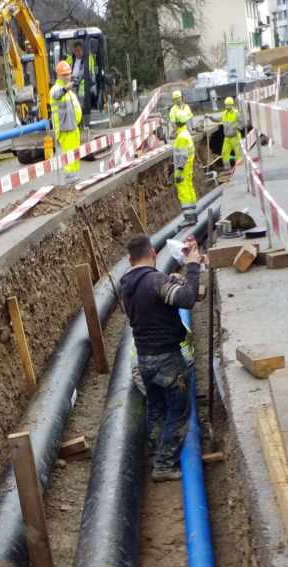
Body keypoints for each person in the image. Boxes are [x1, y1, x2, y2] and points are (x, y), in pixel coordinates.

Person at [119, 234, 204, 481]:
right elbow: (187, 300)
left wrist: (174, 280)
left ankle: (156, 452)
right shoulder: (155, 280)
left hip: (144, 359)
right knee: (179, 411)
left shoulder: (126, 284)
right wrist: (193, 265)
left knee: (156, 409)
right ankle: (165, 465)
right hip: (167, 359)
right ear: (154, 254)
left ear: (129, 259)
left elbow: (156, 303)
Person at [50, 61, 83, 185]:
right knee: (69, 155)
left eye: (68, 74)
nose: (67, 76)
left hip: (73, 128)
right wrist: (66, 88)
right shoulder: (57, 89)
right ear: (59, 76)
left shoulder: (68, 91)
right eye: (64, 75)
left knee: (75, 154)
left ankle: (75, 178)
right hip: (65, 130)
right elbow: (56, 94)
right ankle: (70, 179)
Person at [172, 119, 197, 228]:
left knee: (183, 192)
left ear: (175, 124)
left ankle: (189, 218)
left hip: (182, 169)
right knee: (189, 189)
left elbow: (182, 155)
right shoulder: (186, 133)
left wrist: (179, 170)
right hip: (188, 167)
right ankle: (193, 214)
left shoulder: (181, 137)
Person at [65, 41, 95, 108]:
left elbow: (84, 72)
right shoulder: (70, 58)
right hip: (72, 86)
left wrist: (74, 81)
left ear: (83, 50)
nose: (77, 53)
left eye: (79, 50)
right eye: (75, 51)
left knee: (79, 106)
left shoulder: (88, 58)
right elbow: (65, 69)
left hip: (84, 87)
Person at [219, 96, 241, 171]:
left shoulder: (236, 113)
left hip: (235, 137)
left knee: (238, 154)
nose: (228, 107)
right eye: (227, 105)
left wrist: (237, 128)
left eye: (229, 105)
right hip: (227, 137)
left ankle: (239, 168)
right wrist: (210, 117)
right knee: (224, 153)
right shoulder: (224, 114)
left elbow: (242, 122)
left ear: (232, 105)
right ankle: (227, 168)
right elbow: (217, 119)